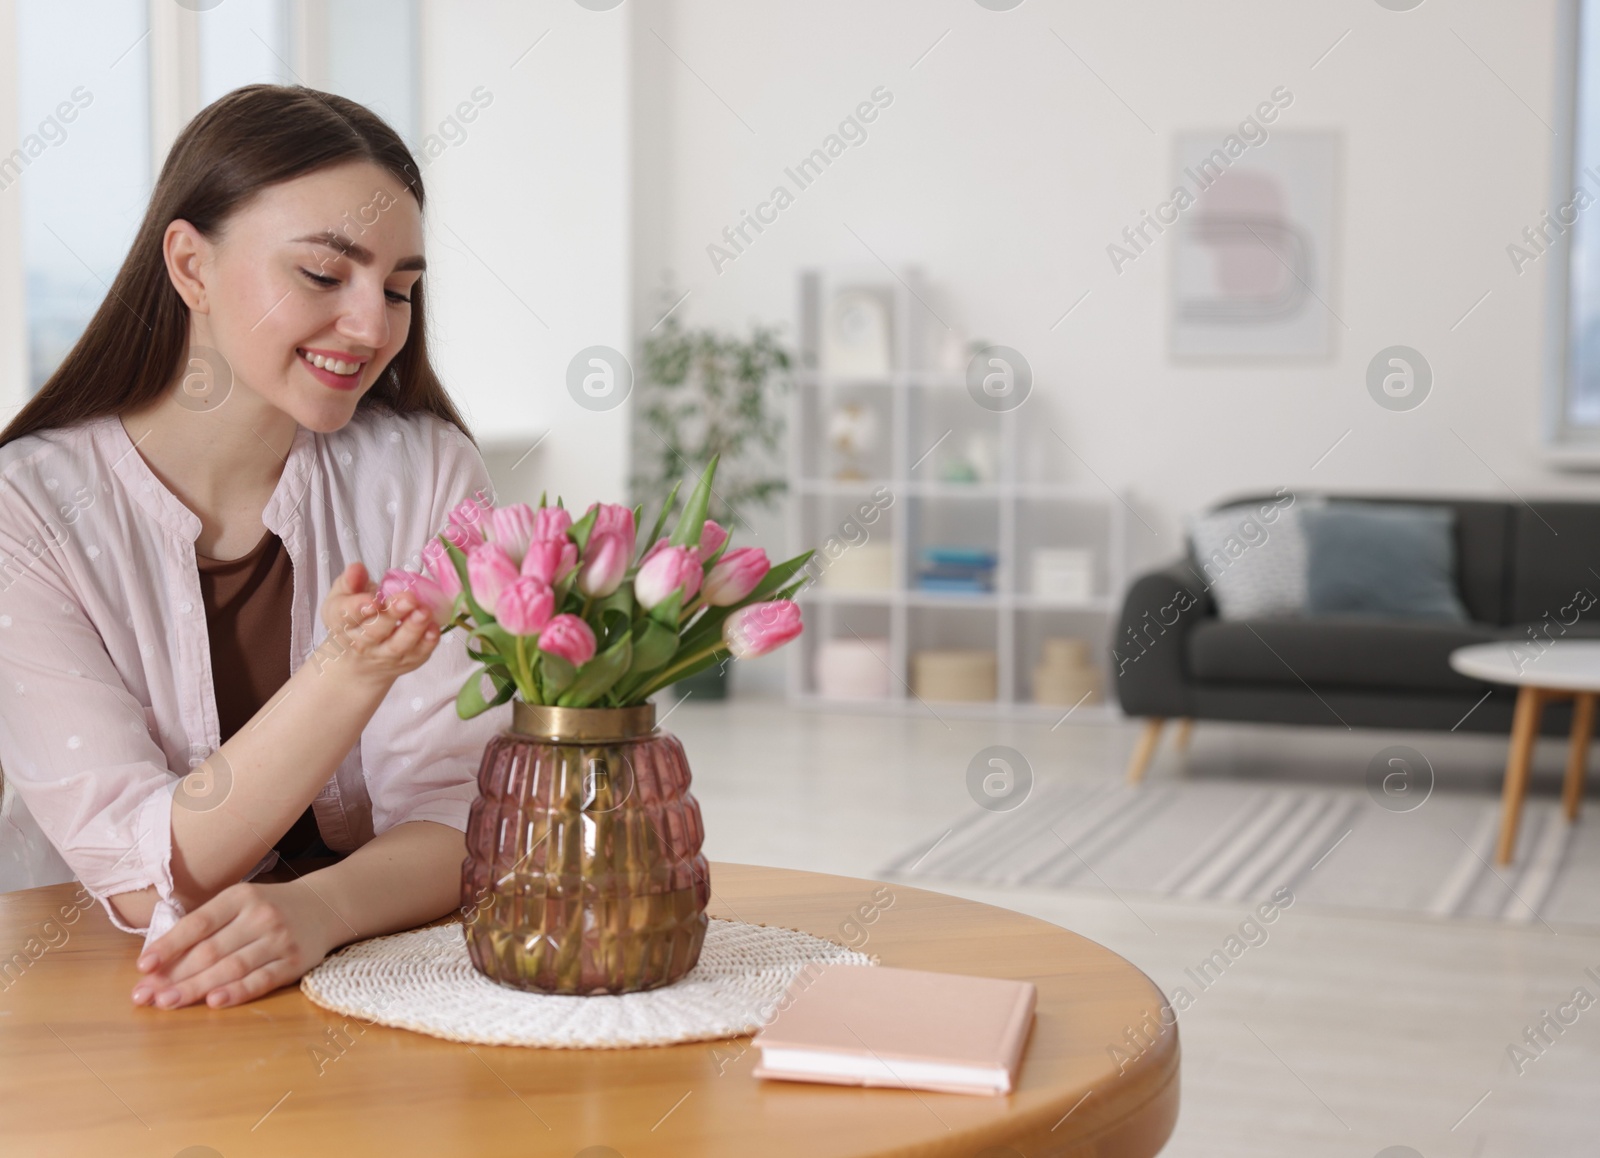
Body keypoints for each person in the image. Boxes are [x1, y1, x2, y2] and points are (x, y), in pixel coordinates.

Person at [0, 84, 513, 1011]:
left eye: (399, 289)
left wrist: (316, 911)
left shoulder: (428, 470)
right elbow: (148, 869)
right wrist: (349, 671)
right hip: (110, 998)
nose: (372, 327)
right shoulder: (25, 512)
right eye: (325, 276)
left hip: (377, 979)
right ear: (190, 266)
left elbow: (465, 813)